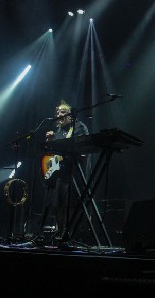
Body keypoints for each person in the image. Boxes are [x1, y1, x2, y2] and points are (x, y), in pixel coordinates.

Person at [39, 100, 89, 239]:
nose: (58, 114)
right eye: (57, 112)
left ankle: (71, 233)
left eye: (62, 112)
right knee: (57, 205)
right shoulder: (59, 131)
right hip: (58, 175)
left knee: (71, 204)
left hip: (72, 174)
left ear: (70, 115)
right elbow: (52, 153)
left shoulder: (78, 127)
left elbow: (82, 147)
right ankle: (61, 232)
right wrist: (50, 142)